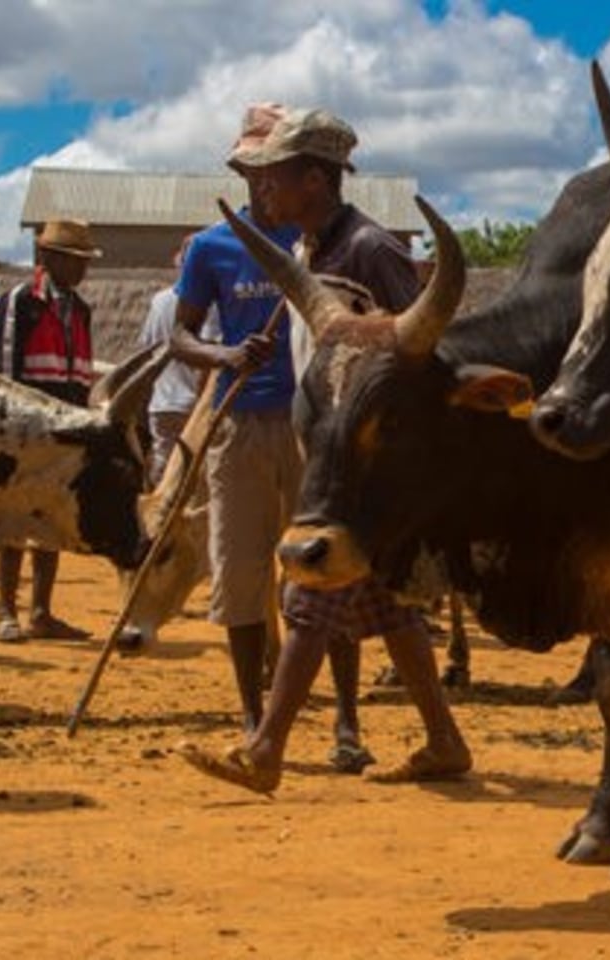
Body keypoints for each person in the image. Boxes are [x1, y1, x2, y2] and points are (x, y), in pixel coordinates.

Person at [179, 107, 471, 792]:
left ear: (314, 177)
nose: (261, 191)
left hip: (366, 471)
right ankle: (444, 739)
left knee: (309, 592)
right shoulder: (313, 251)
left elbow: (421, 360)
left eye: (272, 176)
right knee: (388, 605)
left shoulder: (369, 250)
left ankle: (265, 749)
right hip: (340, 458)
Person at [169, 102, 303, 735]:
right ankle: (254, 715)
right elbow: (178, 336)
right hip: (238, 422)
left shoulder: (315, 241)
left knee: (319, 574)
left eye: (273, 166)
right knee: (241, 573)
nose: (262, 178)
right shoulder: (211, 246)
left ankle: (345, 721)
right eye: (252, 167)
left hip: (310, 426)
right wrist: (226, 354)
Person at [0, 219, 99, 643]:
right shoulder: (19, 304)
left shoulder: (80, 310)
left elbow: (81, 375)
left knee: (51, 522)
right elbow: (2, 372)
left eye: (85, 262)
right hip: (24, 432)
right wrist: (10, 431)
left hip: (64, 432)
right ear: (47, 259)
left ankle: (42, 612)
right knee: (14, 517)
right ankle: (5, 610)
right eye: (75, 261)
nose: (82, 270)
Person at [138, 238, 219, 490]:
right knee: (193, 480)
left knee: (163, 475)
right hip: (193, 405)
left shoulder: (159, 302)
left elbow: (146, 353)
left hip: (162, 405)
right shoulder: (210, 305)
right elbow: (210, 353)